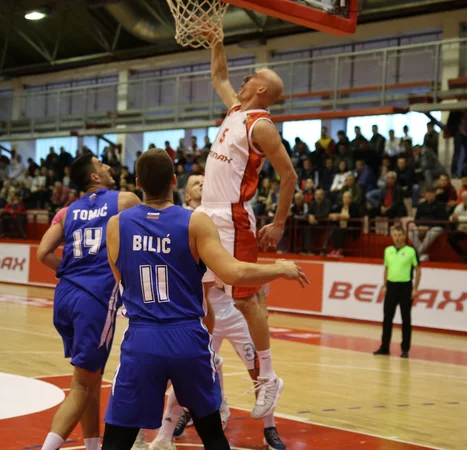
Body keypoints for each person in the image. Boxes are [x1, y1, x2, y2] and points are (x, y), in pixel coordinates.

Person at [100, 149, 307, 450]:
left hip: (142, 336)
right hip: (187, 337)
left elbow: (121, 277)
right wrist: (280, 269)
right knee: (211, 432)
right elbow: (233, 272)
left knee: (117, 439)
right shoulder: (196, 222)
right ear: (174, 181)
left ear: (138, 183)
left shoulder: (116, 225)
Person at [150, 172, 287, 450]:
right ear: (185, 195)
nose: (202, 185)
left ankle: (269, 428)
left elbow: (244, 261)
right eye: (195, 183)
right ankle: (166, 432)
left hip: (234, 309)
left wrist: (259, 298)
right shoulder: (183, 222)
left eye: (204, 181)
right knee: (185, 369)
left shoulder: (225, 218)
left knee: (258, 370)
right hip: (202, 309)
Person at [205, 30, 298, 419]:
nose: (243, 79)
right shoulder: (234, 111)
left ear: (261, 88)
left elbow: (289, 176)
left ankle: (268, 377)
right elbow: (220, 78)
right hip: (206, 214)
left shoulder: (260, 124)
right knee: (202, 298)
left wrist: (278, 223)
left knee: (245, 299)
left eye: (251, 76)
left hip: (232, 215)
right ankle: (203, 376)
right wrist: (216, 41)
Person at [34, 154, 141, 450]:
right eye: (101, 165)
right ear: (94, 177)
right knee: (82, 385)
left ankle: (93, 446)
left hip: (65, 297)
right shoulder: (125, 200)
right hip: (94, 299)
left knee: (91, 378)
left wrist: (70, 272)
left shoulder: (68, 212)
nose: (107, 167)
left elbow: (43, 253)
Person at [373, 225, 421, 359]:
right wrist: (384, 285)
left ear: (404, 236)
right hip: (391, 287)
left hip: (405, 287)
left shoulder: (411, 251)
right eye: (395, 235)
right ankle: (384, 347)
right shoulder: (388, 250)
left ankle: (405, 349)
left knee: (406, 319)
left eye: (400, 235)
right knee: (387, 318)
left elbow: (418, 270)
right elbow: (386, 268)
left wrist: (415, 288)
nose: (397, 238)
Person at [409, 187, 448, 262]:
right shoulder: (421, 205)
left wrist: (428, 227)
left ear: (434, 195)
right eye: (427, 193)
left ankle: (418, 253)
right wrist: (419, 226)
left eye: (431, 193)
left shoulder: (440, 205)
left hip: (436, 227)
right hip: (422, 226)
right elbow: (416, 219)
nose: (429, 195)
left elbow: (442, 220)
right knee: (411, 232)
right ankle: (422, 254)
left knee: (431, 233)